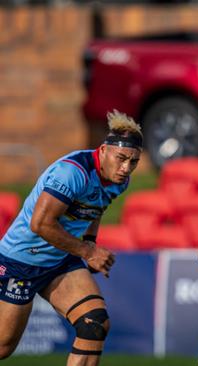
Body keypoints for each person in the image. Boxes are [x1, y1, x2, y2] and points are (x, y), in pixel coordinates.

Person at [0, 110, 142, 365]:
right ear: (103, 150)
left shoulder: (119, 180)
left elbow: (95, 208)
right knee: (3, 346)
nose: (126, 168)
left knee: (94, 324)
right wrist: (88, 252)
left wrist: (89, 243)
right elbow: (41, 224)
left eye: (133, 162)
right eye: (121, 158)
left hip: (60, 260)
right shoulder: (72, 172)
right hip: (19, 262)